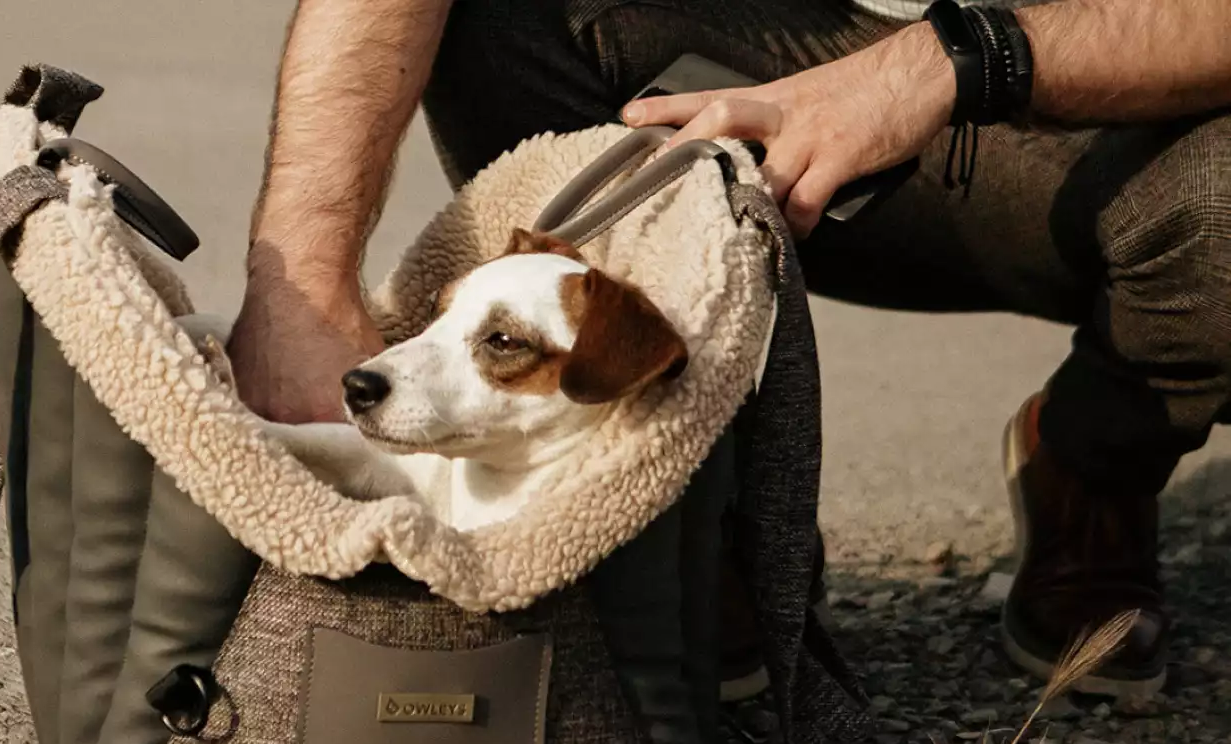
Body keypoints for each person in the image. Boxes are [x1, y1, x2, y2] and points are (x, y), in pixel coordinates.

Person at [228, 0, 1231, 700]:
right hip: (779, 56)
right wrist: (303, 281)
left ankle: (1099, 455)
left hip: (1108, 105)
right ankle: (689, 505)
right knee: (494, 14)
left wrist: (947, 60)